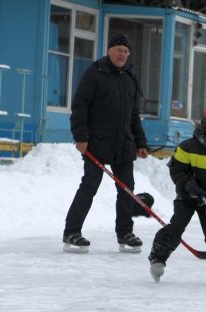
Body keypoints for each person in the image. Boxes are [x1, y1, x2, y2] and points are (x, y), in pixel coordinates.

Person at [63, 33, 149, 253]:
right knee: (90, 185)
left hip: (123, 144)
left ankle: (125, 234)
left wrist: (140, 142)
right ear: (109, 51)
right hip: (96, 143)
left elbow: (133, 115)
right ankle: (72, 232)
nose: (122, 54)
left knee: (127, 189)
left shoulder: (130, 78)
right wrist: (80, 137)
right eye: (119, 50)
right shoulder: (94, 73)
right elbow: (80, 106)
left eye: (126, 51)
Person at [148, 104, 206, 285]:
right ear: (205, 127)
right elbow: (176, 169)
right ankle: (158, 258)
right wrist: (188, 185)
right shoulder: (188, 147)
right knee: (176, 228)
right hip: (187, 197)